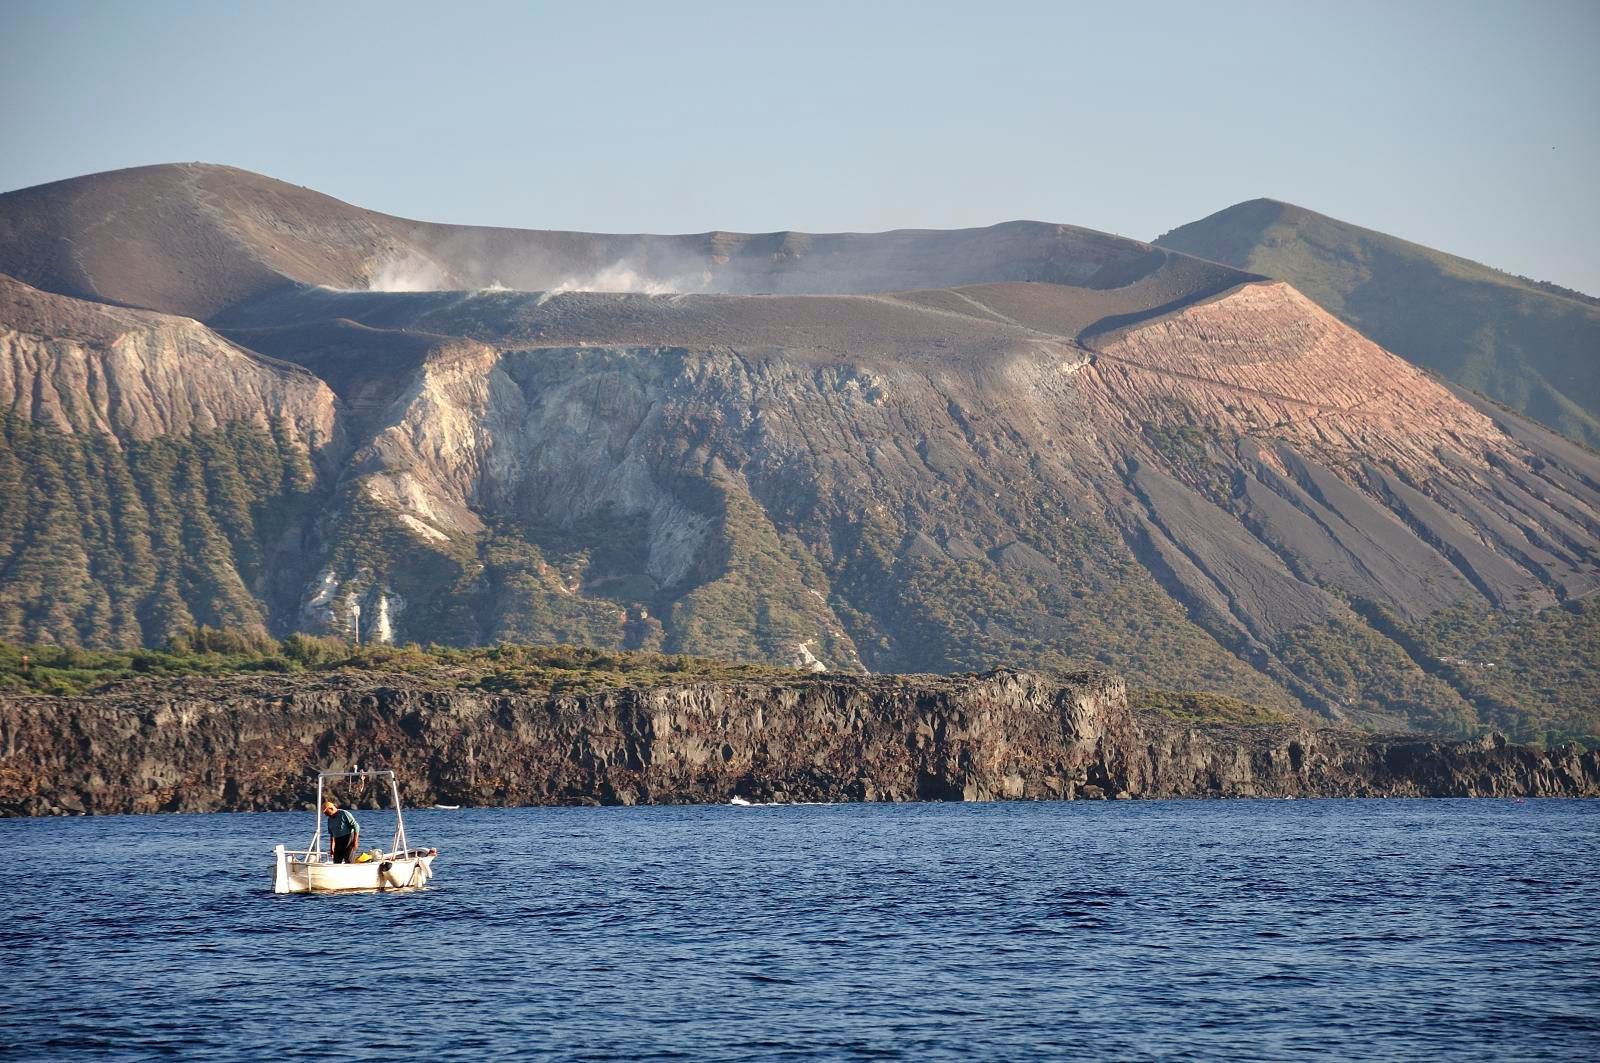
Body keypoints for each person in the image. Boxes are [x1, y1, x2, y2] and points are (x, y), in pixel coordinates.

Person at [323, 798, 360, 862]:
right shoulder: (330, 819)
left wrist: (355, 842)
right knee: (336, 860)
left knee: (348, 859)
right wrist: (332, 848)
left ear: (331, 809)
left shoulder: (344, 813)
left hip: (348, 838)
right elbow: (332, 834)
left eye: (326, 812)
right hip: (338, 840)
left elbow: (356, 826)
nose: (325, 814)